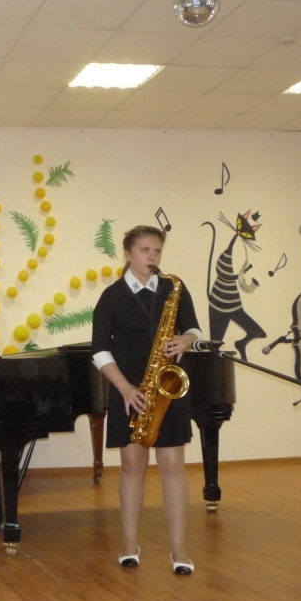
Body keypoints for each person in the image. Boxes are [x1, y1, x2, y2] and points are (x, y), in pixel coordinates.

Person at [91, 225, 201, 575]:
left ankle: (179, 548)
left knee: (173, 466)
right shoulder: (111, 296)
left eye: (157, 251)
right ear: (127, 254)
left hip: (167, 387)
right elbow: (99, 350)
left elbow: (194, 329)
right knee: (132, 466)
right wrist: (125, 388)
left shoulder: (173, 288)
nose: (152, 257)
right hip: (129, 391)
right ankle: (129, 543)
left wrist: (185, 341)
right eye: (145, 251)